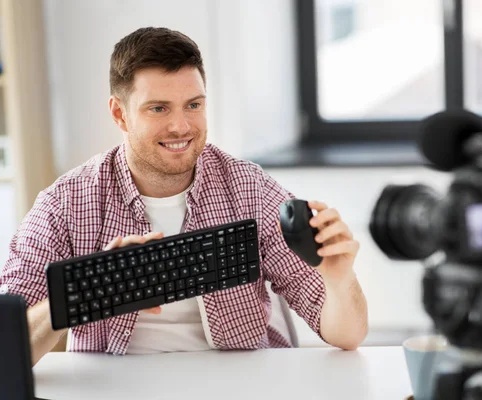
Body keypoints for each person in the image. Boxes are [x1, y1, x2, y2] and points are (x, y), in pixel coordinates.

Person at [0, 27, 368, 366]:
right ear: (120, 114)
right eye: (158, 108)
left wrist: (339, 279)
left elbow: (347, 335)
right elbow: (8, 347)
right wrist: (84, 290)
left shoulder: (249, 188)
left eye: (193, 105)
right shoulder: (65, 204)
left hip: (239, 382)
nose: (181, 126)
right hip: (115, 386)